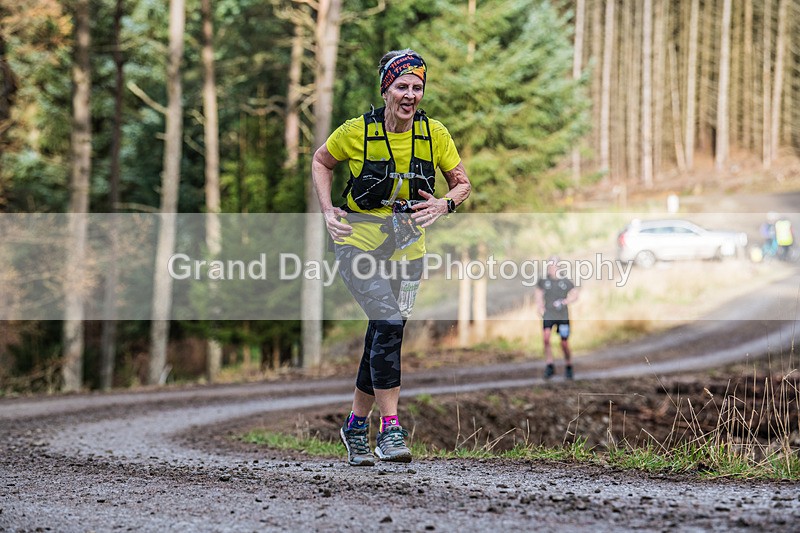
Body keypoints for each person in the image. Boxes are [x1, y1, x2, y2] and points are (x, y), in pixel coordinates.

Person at [311, 49, 471, 466]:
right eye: (402, 86)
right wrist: (328, 211)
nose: (410, 95)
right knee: (388, 322)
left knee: (383, 334)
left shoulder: (434, 133)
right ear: (386, 88)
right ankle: (391, 428)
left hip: (408, 252)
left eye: (417, 87)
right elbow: (321, 161)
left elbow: (462, 183)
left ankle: (355, 426)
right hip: (357, 244)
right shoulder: (356, 132)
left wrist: (444, 205)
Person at [534, 256, 579, 380]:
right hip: (549, 314)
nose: (551, 269)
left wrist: (565, 301)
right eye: (549, 266)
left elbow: (575, 294)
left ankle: (568, 365)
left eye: (554, 266)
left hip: (562, 316)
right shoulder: (544, 281)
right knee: (546, 338)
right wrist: (539, 306)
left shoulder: (565, 281)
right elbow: (538, 292)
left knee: (564, 343)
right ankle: (550, 365)